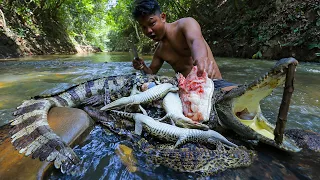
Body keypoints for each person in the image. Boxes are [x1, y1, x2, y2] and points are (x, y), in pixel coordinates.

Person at [131, 0, 236, 91]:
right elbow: (151, 73)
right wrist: (142, 66)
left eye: (152, 23)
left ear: (163, 17)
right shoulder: (160, 51)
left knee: (244, 92)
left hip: (213, 84)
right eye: (144, 27)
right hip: (188, 90)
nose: (148, 31)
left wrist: (200, 60)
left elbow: (195, 41)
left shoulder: (185, 24)